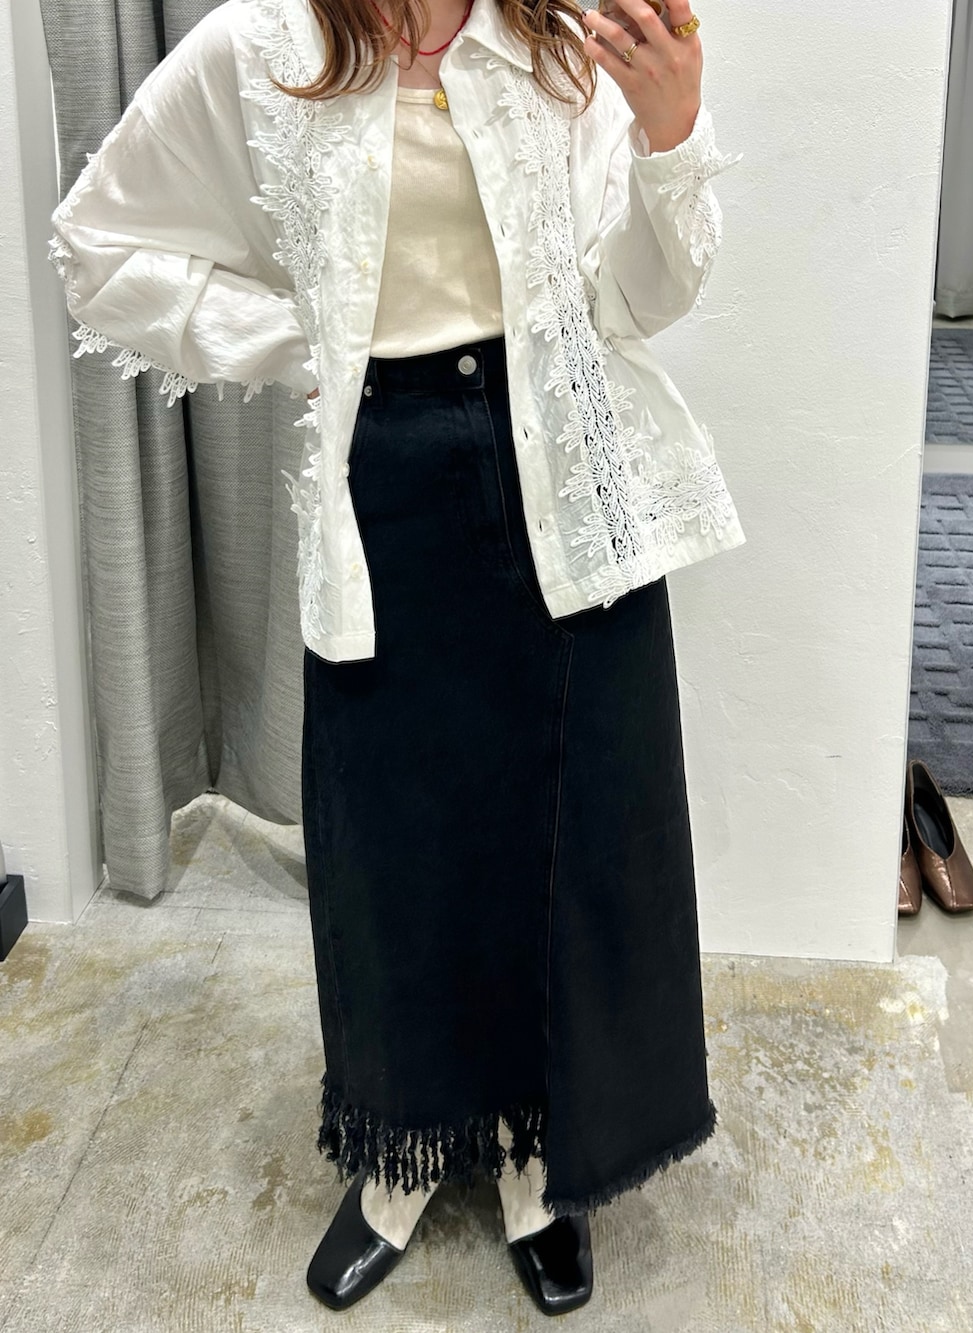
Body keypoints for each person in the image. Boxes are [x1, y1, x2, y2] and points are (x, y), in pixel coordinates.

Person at [48, 0, 745, 1316]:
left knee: (568, 836)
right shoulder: (267, 47)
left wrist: (669, 136)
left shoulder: (559, 44)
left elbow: (633, 301)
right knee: (396, 847)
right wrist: (301, 340)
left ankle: (539, 1156)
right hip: (387, 488)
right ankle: (403, 1152)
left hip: (566, 477)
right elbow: (101, 243)